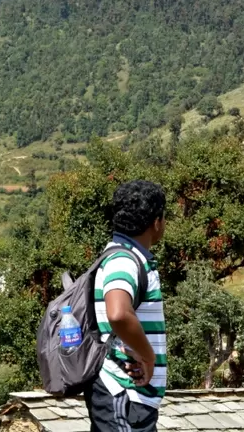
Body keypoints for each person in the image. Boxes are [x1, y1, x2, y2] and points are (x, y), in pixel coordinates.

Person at [87, 180, 167, 432]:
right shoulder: (124, 259)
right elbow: (119, 313)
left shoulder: (124, 256)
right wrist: (148, 357)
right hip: (124, 394)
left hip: (131, 399)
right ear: (156, 222)